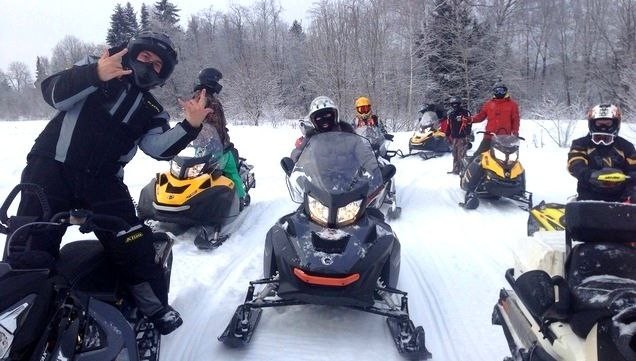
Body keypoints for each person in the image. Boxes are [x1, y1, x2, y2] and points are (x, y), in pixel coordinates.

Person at [11, 31, 211, 335]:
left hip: (104, 182)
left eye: (158, 65)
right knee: (28, 246)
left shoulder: (153, 110)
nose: (150, 65)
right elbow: (52, 93)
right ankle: (20, 324)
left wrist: (191, 126)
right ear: (132, 52)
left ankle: (155, 309)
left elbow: (158, 148)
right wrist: (95, 74)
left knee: (134, 245)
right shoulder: (95, 66)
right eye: (146, 56)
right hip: (50, 170)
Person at [191, 67, 247, 203]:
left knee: (204, 176)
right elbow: (202, 125)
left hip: (216, 145)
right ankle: (240, 199)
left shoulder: (206, 97)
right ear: (211, 80)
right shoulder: (203, 98)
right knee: (232, 173)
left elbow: (219, 125)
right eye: (217, 80)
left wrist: (225, 139)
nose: (218, 83)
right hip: (213, 148)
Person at [567, 104, 636, 201]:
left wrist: (630, 192)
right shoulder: (580, 144)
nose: (603, 127)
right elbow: (575, 164)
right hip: (589, 197)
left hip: (622, 199)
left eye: (607, 124)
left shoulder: (627, 146)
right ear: (592, 123)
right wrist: (591, 175)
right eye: (599, 124)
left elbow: (634, 170)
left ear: (616, 123)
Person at [291, 96, 354, 161]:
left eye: (327, 116)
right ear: (313, 121)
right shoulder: (311, 136)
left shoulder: (345, 130)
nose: (324, 121)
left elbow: (359, 148)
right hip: (319, 170)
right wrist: (297, 157)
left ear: (335, 115)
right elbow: (298, 151)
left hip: (348, 169)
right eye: (319, 118)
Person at [469, 82, 520, 156]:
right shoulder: (488, 104)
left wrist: (515, 132)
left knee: (505, 159)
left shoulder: (512, 105)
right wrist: (469, 119)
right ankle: (470, 167)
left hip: (505, 138)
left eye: (502, 90)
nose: (499, 92)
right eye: (497, 90)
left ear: (506, 91)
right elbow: (480, 116)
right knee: (478, 155)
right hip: (489, 136)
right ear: (494, 92)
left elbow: (516, 120)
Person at [443, 96, 472, 174]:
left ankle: (463, 170)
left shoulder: (465, 112)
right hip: (454, 138)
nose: (455, 105)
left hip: (463, 137)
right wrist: (446, 135)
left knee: (462, 155)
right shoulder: (451, 114)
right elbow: (448, 126)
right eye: (453, 104)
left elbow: (469, 123)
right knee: (455, 154)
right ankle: (456, 170)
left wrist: (467, 134)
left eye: (456, 103)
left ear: (459, 104)